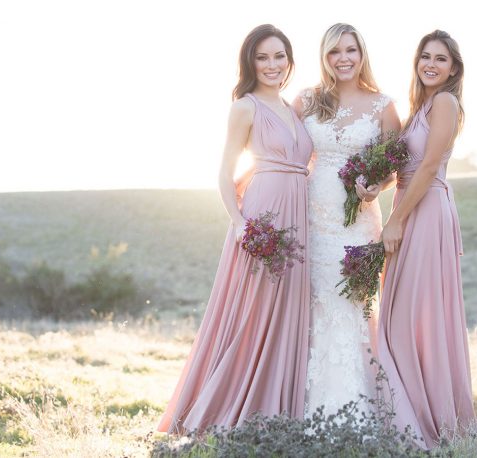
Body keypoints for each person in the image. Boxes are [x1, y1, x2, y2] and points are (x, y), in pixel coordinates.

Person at [158, 24, 313, 434]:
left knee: (288, 311)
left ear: (290, 61)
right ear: (250, 62)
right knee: (252, 311)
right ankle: (229, 405)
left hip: (299, 217)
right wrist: (241, 223)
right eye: (262, 57)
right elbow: (225, 173)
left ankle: (278, 406)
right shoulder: (245, 107)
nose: (272, 65)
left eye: (279, 56)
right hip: (263, 219)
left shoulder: (294, 108)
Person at [292, 23, 401, 416]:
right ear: (324, 57)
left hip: (358, 224)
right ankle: (302, 406)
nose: (343, 59)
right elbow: (284, 151)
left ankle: (357, 408)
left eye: (350, 50)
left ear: (362, 53)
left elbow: (393, 167)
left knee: (351, 304)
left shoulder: (382, 105)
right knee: (315, 303)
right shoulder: (307, 100)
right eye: (334, 51)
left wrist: (375, 186)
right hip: (311, 219)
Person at [377, 30, 475, 449]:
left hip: (427, 211)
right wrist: (372, 189)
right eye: (425, 57)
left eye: (440, 59)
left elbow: (431, 164)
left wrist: (395, 220)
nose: (431, 64)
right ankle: (404, 408)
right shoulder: (420, 107)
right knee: (401, 310)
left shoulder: (446, 103)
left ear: (453, 68)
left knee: (414, 315)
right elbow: (404, 167)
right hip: (408, 203)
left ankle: (425, 414)